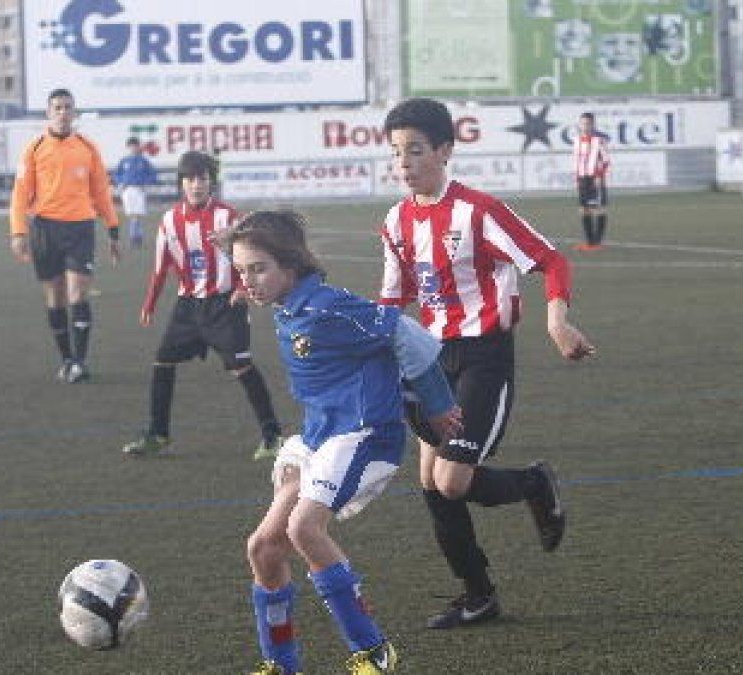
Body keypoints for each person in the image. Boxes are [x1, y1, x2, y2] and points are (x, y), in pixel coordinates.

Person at [378, 97, 595, 630]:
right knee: (432, 482)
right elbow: (392, 298)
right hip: (429, 362)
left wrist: (556, 321)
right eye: (396, 153)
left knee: (452, 481)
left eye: (415, 151)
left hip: (482, 357)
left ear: (445, 151)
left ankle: (533, 484)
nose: (404, 163)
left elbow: (551, 260)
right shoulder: (396, 220)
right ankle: (477, 595)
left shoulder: (477, 210)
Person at [223, 209, 462, 675]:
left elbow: (404, 331)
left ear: (290, 266)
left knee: (304, 530)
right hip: (318, 437)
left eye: (258, 268)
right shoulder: (291, 304)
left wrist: (436, 402)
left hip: (364, 435)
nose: (248, 280)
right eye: (241, 270)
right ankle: (281, 665)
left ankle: (374, 652)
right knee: (263, 548)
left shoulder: (326, 307)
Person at [121, 150, 282, 460]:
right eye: (191, 179)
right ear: (181, 183)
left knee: (242, 367)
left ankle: (272, 435)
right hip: (188, 307)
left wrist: (242, 288)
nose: (197, 185)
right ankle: (158, 434)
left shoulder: (228, 218)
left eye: (203, 179)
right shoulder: (169, 221)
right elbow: (161, 266)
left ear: (212, 183)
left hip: (225, 305)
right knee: (162, 361)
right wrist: (149, 303)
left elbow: (251, 257)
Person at [9, 88, 120, 384]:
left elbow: (101, 191)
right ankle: (67, 359)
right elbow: (20, 194)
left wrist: (113, 228)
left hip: (80, 228)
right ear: (48, 112)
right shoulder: (33, 148)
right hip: (44, 229)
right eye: (57, 107)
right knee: (55, 297)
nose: (62, 112)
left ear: (74, 112)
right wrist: (18, 232)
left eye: (67, 107)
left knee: (77, 294)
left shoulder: (87, 147)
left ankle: (81, 362)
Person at [572, 112, 611, 251]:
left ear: (593, 125)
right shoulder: (577, 140)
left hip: (595, 179)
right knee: (583, 210)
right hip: (582, 179)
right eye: (582, 123)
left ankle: (597, 242)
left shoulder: (599, 140)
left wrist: (599, 176)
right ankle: (589, 242)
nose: (585, 126)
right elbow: (577, 160)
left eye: (588, 123)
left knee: (598, 208)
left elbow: (606, 161)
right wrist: (576, 179)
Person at [112, 137, 158, 248]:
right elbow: (116, 175)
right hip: (127, 190)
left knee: (137, 214)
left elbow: (152, 175)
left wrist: (146, 183)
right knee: (132, 214)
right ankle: (136, 237)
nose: (133, 148)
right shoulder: (124, 161)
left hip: (139, 189)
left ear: (139, 147)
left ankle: (135, 236)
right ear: (128, 147)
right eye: (131, 146)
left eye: (135, 146)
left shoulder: (143, 161)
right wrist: (120, 182)